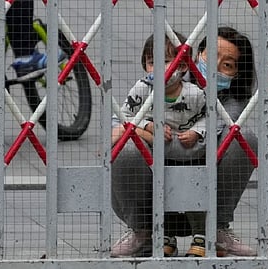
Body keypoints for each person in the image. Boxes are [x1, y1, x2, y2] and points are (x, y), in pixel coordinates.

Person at [111, 26, 258, 257]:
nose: (216, 67)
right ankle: (143, 233)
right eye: (212, 56)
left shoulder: (233, 102)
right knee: (128, 148)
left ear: (237, 74)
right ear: (197, 54)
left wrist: (150, 135)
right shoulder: (162, 80)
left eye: (227, 65)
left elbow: (189, 150)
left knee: (244, 138)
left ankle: (215, 230)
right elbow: (119, 122)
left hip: (203, 203)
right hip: (151, 200)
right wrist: (146, 130)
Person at [110, 31, 208, 257]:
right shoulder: (143, 89)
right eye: (152, 63)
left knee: (190, 188)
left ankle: (201, 235)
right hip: (155, 153)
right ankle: (163, 235)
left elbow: (210, 117)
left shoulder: (194, 94)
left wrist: (196, 132)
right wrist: (148, 126)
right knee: (160, 191)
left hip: (187, 152)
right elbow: (124, 115)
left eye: (166, 62)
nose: (158, 69)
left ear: (183, 66)